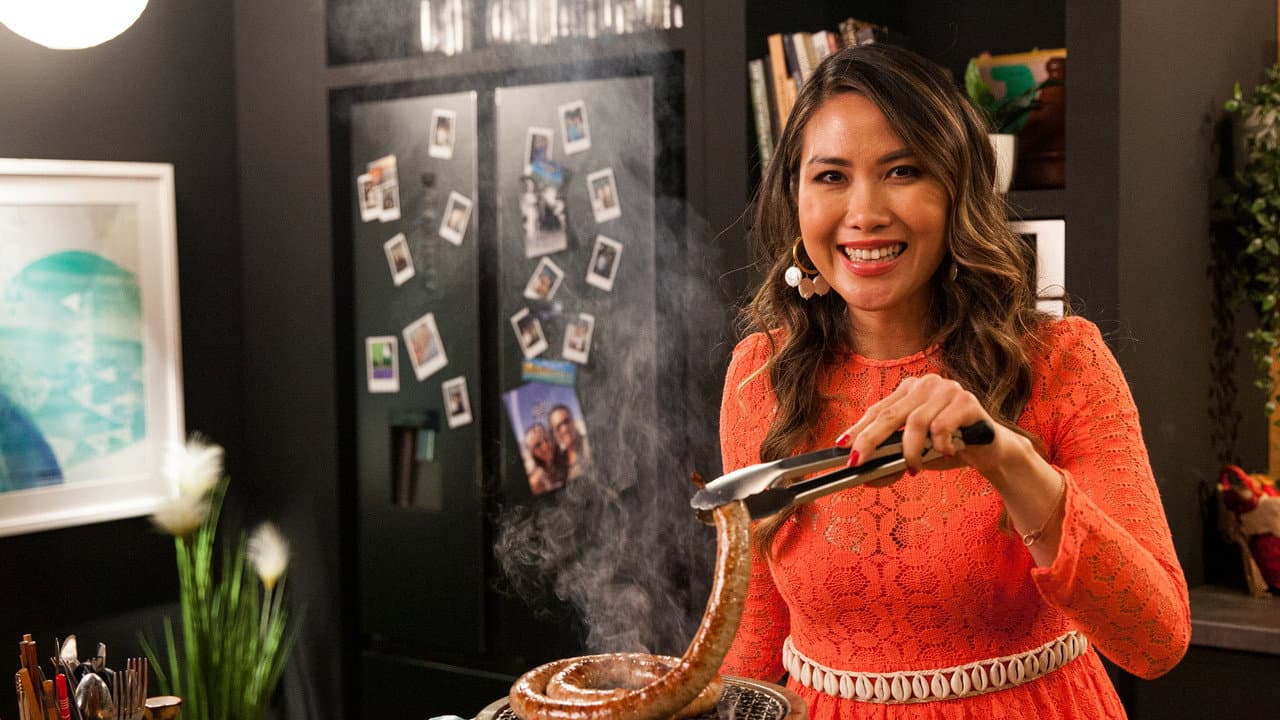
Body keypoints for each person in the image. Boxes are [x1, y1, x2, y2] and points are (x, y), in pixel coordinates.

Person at [719, 44, 1189, 719]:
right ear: (795, 198)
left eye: (902, 171)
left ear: (957, 190)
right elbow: (753, 644)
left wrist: (1005, 458)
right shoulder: (761, 378)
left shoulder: (1062, 363)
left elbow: (1156, 639)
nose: (864, 212)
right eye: (830, 176)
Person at [548, 404, 591, 481]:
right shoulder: (561, 461)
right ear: (554, 434)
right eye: (558, 427)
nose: (564, 429)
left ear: (573, 420)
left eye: (566, 421)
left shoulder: (591, 444)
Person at [524, 423, 567, 494]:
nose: (546, 446)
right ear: (532, 452)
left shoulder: (567, 457)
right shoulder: (536, 481)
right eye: (538, 445)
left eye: (546, 439)